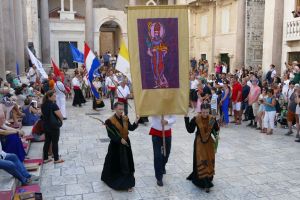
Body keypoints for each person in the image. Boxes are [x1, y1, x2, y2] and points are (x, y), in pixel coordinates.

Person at [101, 102, 139, 192]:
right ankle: (118, 182)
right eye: (119, 109)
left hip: (126, 144)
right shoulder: (109, 121)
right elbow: (110, 134)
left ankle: (128, 183)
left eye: (122, 109)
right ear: (115, 109)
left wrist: (136, 120)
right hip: (116, 146)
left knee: (127, 163)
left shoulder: (125, 118)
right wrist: (119, 139)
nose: (121, 111)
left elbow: (131, 128)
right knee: (116, 163)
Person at [184, 103, 219, 193]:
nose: (205, 114)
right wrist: (186, 118)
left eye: (207, 112)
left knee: (209, 160)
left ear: (209, 111)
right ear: (201, 110)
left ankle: (209, 177)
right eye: (203, 112)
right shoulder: (196, 119)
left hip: (209, 144)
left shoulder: (212, 119)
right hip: (199, 143)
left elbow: (216, 129)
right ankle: (205, 183)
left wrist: (216, 134)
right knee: (201, 160)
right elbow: (190, 130)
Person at [149, 115, 176, 186]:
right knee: (157, 156)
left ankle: (162, 165)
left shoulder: (171, 105)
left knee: (166, 153)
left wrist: (167, 121)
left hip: (167, 132)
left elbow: (174, 118)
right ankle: (159, 177)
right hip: (156, 132)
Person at [41, 90, 64, 164]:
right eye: (54, 96)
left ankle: (45, 158)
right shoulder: (53, 105)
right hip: (53, 126)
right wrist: (61, 120)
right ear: (49, 96)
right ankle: (56, 159)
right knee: (55, 142)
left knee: (47, 142)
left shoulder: (43, 104)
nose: (55, 97)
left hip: (46, 125)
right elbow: (60, 115)